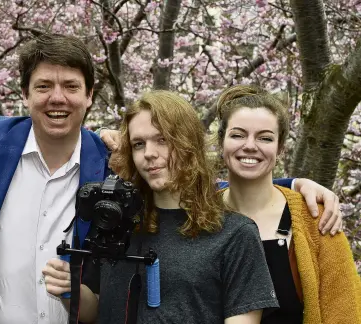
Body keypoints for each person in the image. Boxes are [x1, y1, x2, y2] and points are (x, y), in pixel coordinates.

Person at [0, 33, 342, 324]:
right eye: (43, 86)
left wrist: (292, 185)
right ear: (26, 93)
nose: (57, 98)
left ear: (89, 96)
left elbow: (184, 178)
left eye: (70, 86)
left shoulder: (111, 164)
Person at [43, 90, 280, 323]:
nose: (149, 154)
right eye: (138, 144)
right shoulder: (116, 224)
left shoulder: (235, 234)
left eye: (162, 140)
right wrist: (70, 289)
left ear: (188, 143)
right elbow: (96, 309)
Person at [215, 84, 361, 323]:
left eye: (265, 138)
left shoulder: (316, 219)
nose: (250, 145)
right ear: (222, 142)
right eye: (238, 135)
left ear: (280, 148)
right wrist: (297, 182)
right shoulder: (197, 213)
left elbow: (344, 311)